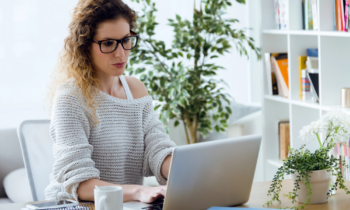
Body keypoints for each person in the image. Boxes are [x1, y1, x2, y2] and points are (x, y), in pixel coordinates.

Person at [44, 0, 176, 203]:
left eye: (126, 40)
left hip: (126, 206)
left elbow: (157, 149)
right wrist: (139, 192)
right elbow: (80, 183)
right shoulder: (70, 99)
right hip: (79, 206)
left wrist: (186, 168)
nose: (121, 53)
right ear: (84, 45)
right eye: (107, 43)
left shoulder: (136, 90)